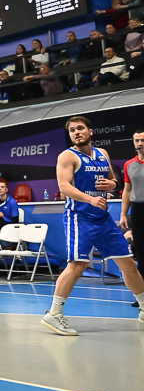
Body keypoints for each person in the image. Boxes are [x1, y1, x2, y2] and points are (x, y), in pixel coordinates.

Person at [41, 117, 144, 335]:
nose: (76, 132)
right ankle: (54, 314)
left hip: (102, 218)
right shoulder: (68, 156)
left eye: (80, 128)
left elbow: (113, 181)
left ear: (90, 131)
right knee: (77, 265)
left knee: (127, 262)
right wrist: (90, 199)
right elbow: (64, 186)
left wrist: (112, 184)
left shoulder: (102, 154)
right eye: (72, 130)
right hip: (79, 217)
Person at [121, 130, 144, 285]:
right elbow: (127, 191)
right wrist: (123, 214)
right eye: (137, 141)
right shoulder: (129, 164)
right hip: (138, 210)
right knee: (140, 250)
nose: (140, 144)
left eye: (143, 140)